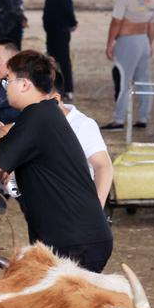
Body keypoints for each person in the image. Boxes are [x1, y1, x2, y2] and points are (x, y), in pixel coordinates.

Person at [0, 51, 113, 273]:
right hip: (71, 235)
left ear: (24, 84)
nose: (5, 87)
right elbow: (1, 145)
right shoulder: (41, 115)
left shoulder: (38, 117)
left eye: (7, 80)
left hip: (74, 238)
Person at [102, 0, 154, 131]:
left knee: (123, 79)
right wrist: (150, 43)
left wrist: (110, 43)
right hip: (143, 40)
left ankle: (118, 119)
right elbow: (152, 24)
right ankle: (143, 117)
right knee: (143, 80)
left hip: (127, 41)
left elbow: (116, 22)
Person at [51, 71, 113, 207]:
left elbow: (103, 167)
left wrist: (96, 212)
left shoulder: (82, 125)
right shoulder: (32, 122)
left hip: (75, 211)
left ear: (55, 98)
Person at [42, 0, 77, 99]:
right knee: (52, 60)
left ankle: (68, 89)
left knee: (64, 60)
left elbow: (68, 10)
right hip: (52, 32)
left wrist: (72, 23)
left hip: (60, 31)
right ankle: (55, 86)